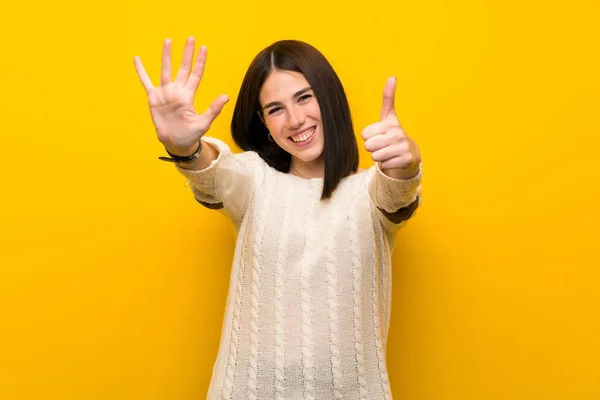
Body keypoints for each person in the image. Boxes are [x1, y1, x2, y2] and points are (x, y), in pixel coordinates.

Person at [134, 36, 423, 400]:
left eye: (304, 97)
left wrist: (406, 161)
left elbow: (398, 192)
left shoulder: (369, 192)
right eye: (275, 108)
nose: (295, 119)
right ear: (264, 123)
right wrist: (184, 148)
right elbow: (214, 174)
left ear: (329, 96)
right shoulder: (255, 181)